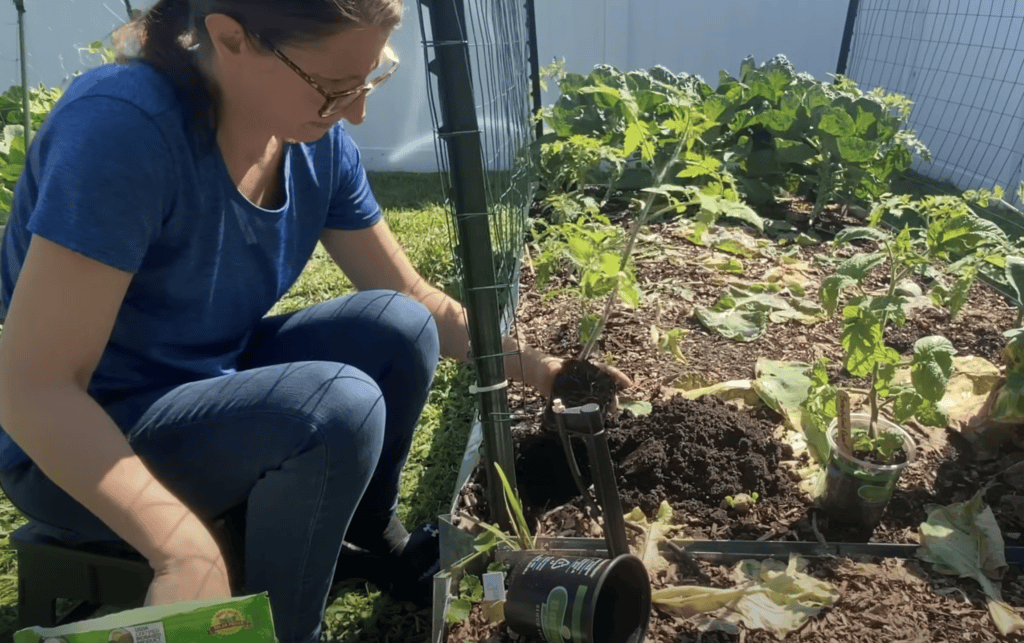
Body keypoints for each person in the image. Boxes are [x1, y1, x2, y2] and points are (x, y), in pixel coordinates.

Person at [0, 1, 630, 642]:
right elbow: (36, 391)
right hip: (80, 446)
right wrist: (180, 547)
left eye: (369, 80)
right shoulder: (124, 128)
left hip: (201, 386)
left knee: (397, 324)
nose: (354, 113)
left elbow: (413, 297)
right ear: (230, 38)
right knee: (336, 407)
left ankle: (372, 542)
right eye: (333, 89)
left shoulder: (312, 146)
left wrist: (541, 369)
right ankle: (278, 630)